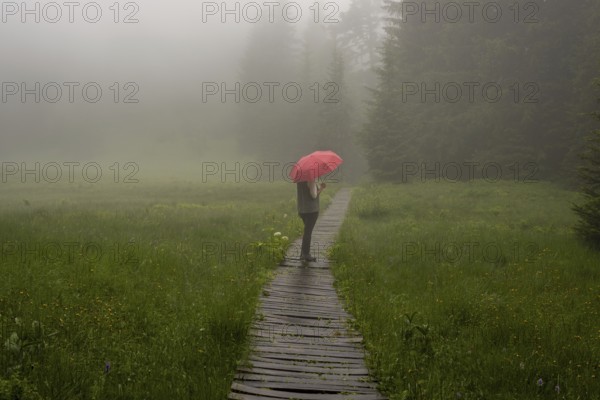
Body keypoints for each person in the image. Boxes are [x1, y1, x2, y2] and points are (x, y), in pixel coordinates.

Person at [296, 179, 326, 262]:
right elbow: (314, 195)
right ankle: (306, 254)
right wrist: (322, 188)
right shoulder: (311, 179)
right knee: (308, 232)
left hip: (302, 210)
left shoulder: (300, 180)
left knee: (306, 231)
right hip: (311, 211)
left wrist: (317, 184)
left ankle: (303, 253)